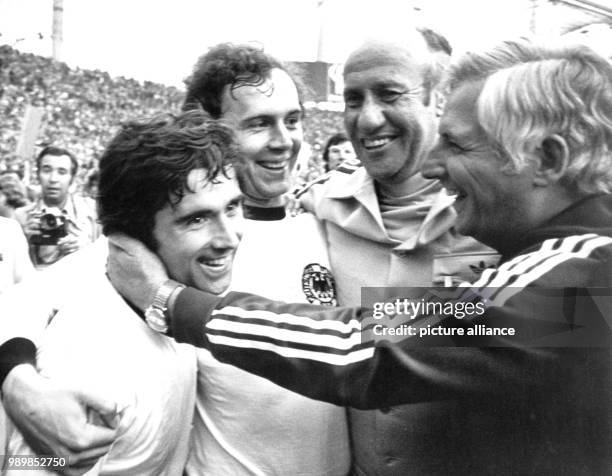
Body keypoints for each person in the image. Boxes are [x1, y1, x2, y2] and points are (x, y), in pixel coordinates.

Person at [106, 39, 612, 475]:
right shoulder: (571, 269)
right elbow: (416, 324)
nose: (433, 164)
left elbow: (363, 345)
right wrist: (20, 364)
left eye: (457, 146)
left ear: (548, 159)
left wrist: (171, 303)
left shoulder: (582, 287)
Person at [293, 28, 497, 475]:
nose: (367, 120)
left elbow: (576, 345)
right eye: (353, 98)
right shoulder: (319, 209)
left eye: (389, 94)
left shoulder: (498, 214)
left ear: (437, 99)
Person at [3, 110, 244, 475]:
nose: (230, 238)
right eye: (196, 219)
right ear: (134, 236)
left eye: (233, 207)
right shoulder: (87, 366)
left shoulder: (177, 290)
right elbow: (21, 466)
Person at [179, 43, 350, 475]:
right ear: (208, 131)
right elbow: (34, 298)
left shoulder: (326, 225)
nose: (284, 141)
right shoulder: (181, 242)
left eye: (292, 121)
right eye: (259, 124)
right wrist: (18, 378)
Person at [15, 147, 99, 268]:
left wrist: (87, 249)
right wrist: (21, 242)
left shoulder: (91, 211)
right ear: (38, 174)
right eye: (47, 170)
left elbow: (109, 256)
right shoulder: (22, 217)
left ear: (72, 178)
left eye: (62, 172)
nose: (53, 179)